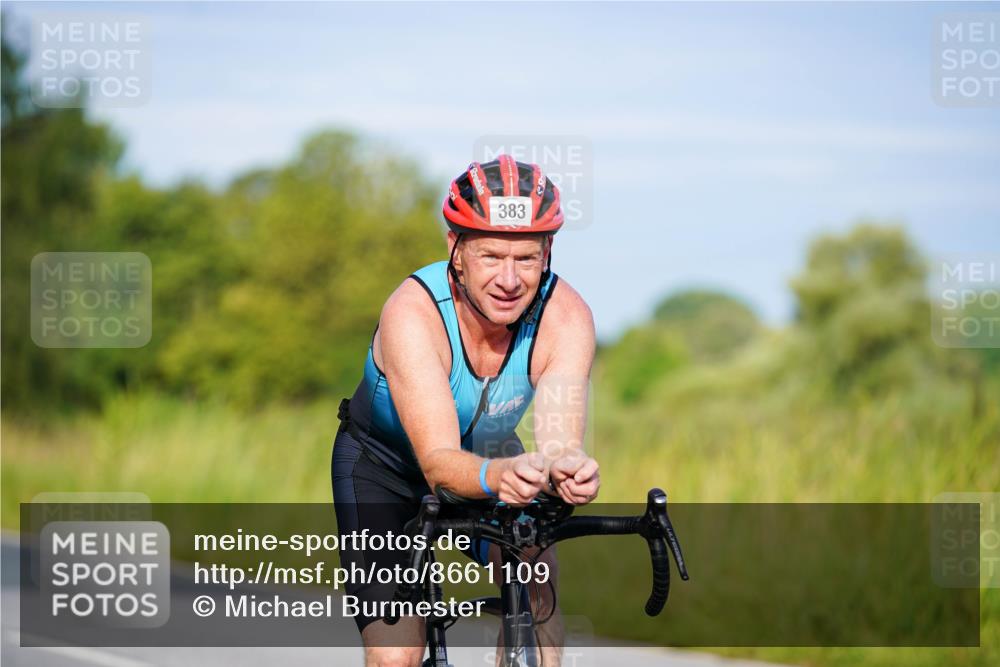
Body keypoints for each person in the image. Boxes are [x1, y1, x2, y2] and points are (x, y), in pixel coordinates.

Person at [332, 154, 600, 667]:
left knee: (537, 583)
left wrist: (568, 468)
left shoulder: (565, 316)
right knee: (397, 655)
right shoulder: (413, 315)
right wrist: (502, 476)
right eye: (491, 257)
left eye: (525, 259)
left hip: (493, 456)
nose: (509, 279)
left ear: (548, 252)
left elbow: (560, 441)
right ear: (455, 247)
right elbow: (437, 463)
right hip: (385, 471)